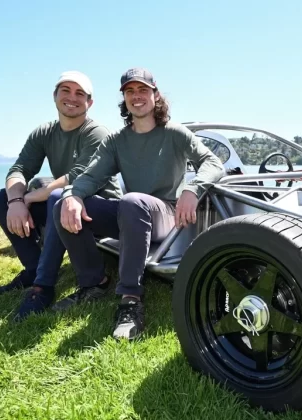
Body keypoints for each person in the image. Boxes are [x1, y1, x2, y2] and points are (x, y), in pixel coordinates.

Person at [54, 67, 225, 341]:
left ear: (155, 95)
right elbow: (91, 175)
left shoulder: (175, 133)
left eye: (143, 90)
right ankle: (93, 283)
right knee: (63, 205)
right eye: (130, 91)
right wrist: (72, 196)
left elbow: (212, 163)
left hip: (167, 216)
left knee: (132, 202)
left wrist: (192, 189)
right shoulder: (116, 141)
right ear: (124, 98)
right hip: (131, 213)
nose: (137, 96)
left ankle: (130, 300)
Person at [0, 71, 122, 322]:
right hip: (63, 204)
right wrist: (16, 201)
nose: (72, 98)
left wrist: (29, 198)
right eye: (66, 91)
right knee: (1, 199)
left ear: (89, 102)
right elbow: (20, 169)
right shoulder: (45, 132)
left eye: (80, 93)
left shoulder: (97, 133)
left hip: (99, 208)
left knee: (57, 198)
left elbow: (77, 176)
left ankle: (43, 286)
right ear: (55, 96)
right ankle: (33, 269)